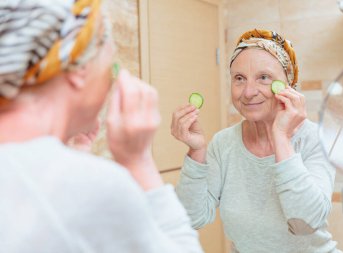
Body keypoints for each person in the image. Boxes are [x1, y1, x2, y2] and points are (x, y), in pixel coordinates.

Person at [0, 1, 203, 252]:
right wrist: (138, 161)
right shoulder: (94, 185)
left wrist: (73, 157)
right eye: (110, 63)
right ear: (80, 69)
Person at [171, 29, 340, 252]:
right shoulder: (223, 144)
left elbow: (305, 224)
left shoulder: (314, 139)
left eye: (263, 77)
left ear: (288, 85)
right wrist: (197, 151)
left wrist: (280, 136)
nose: (249, 92)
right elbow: (192, 218)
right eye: (239, 79)